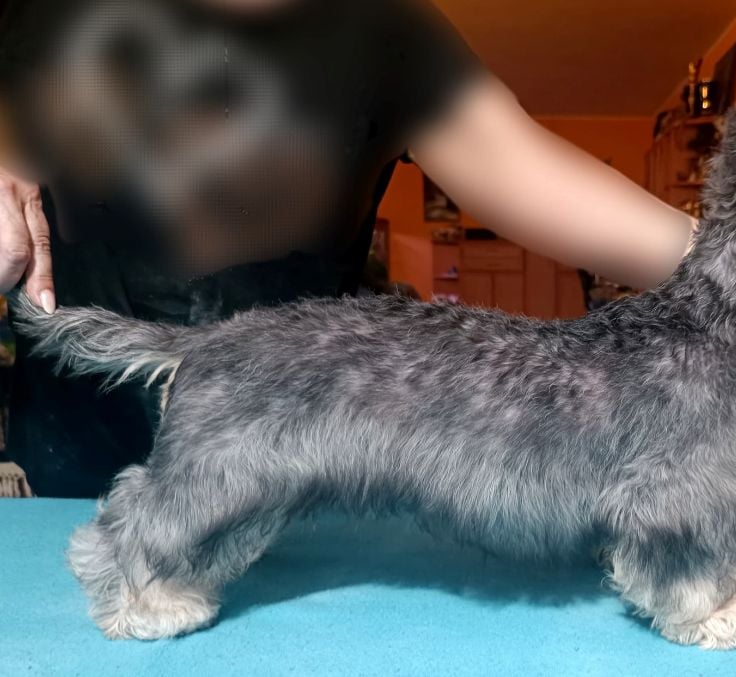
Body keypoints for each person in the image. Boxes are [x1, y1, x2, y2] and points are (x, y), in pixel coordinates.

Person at [0, 0, 695, 497]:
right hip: (73, 468)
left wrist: (733, 261)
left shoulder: (390, 30)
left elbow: (514, 161)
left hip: (301, 474)